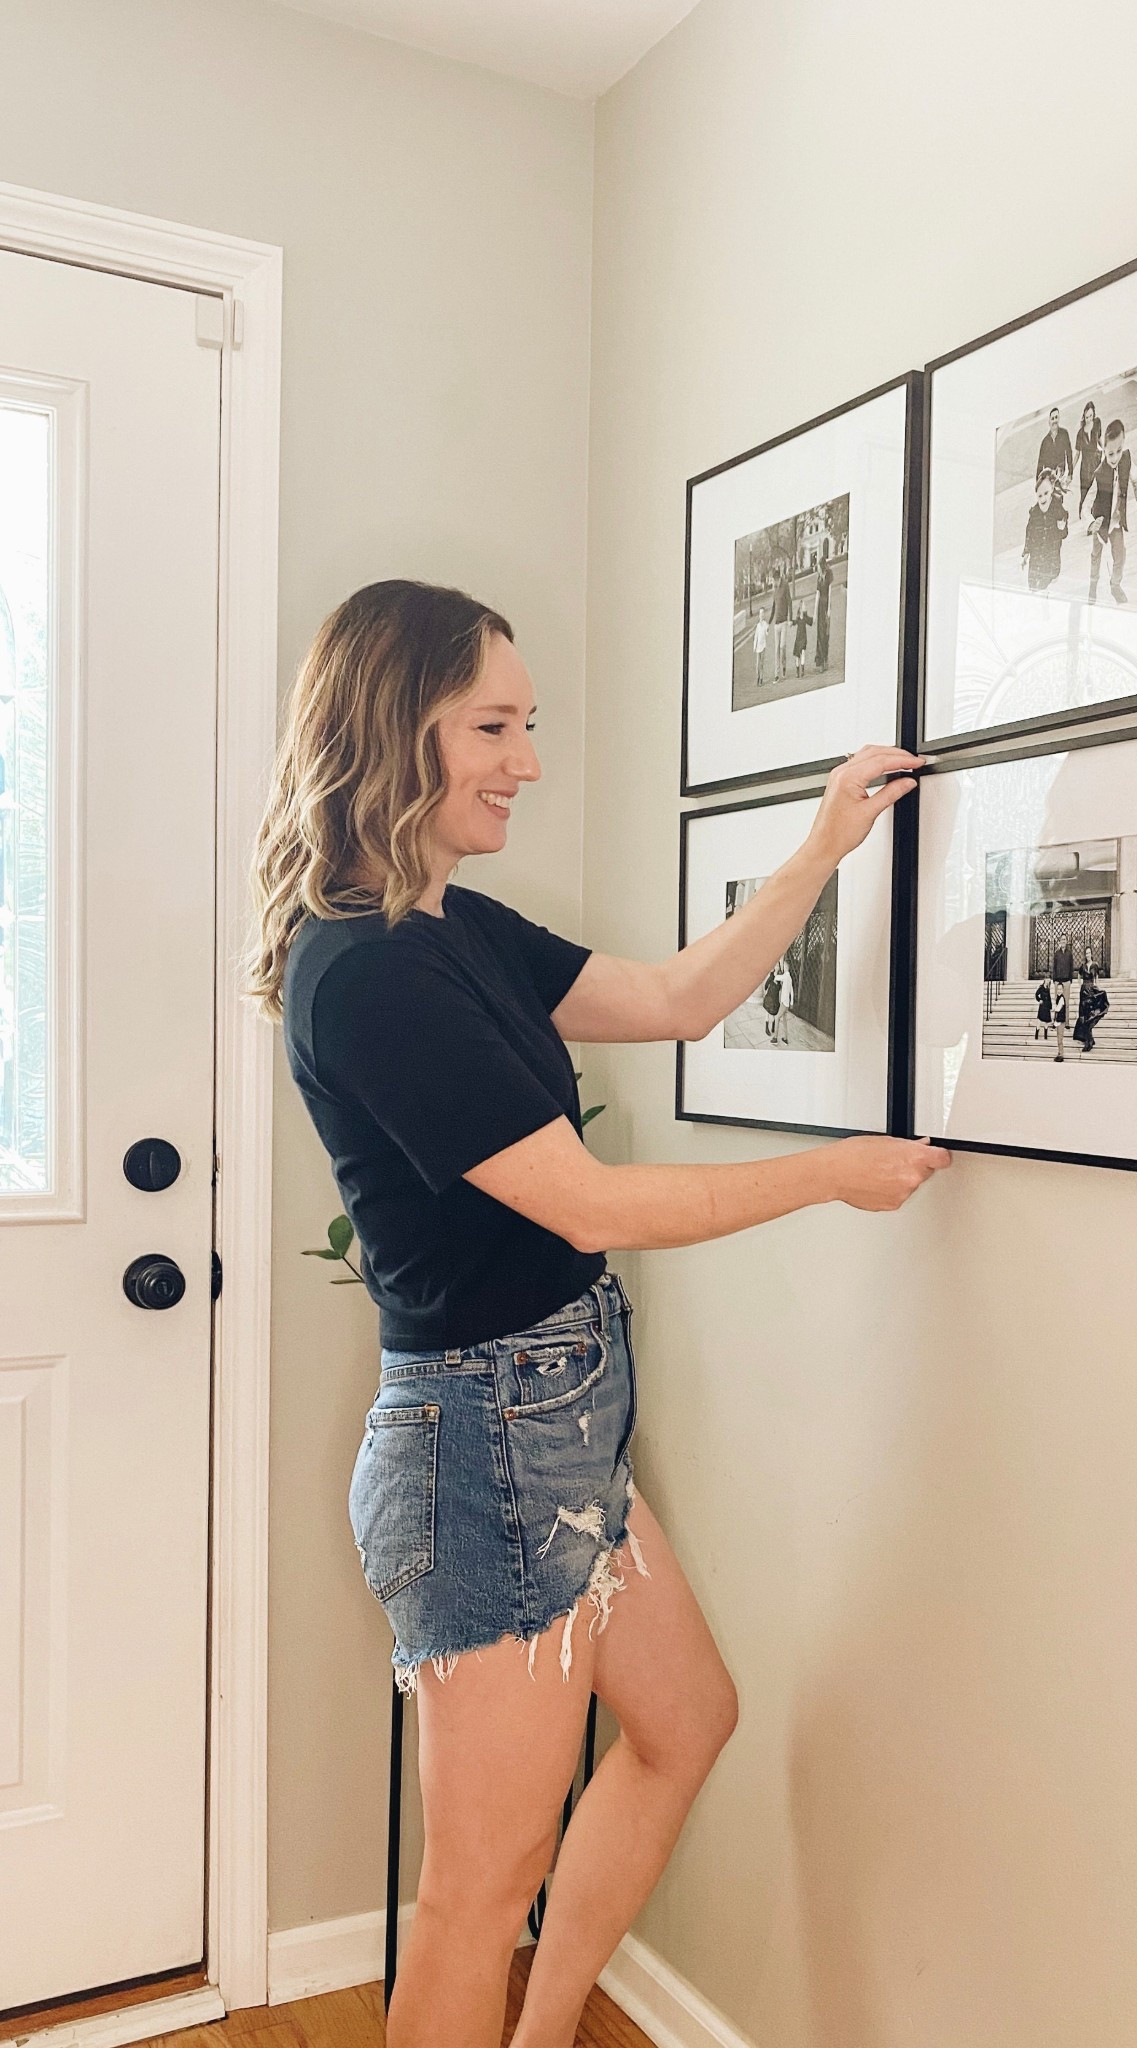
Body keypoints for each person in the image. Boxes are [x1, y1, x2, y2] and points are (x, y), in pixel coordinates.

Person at [246, 580, 948, 2046]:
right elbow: (592, 1206)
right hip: (480, 1450)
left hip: (557, 1431)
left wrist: (823, 840)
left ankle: (541, 2029)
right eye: (494, 725)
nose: (528, 760)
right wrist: (831, 1174)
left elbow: (687, 996)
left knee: (685, 1725)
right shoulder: (362, 971)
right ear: (396, 730)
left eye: (529, 724)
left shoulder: (459, 929)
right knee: (475, 1886)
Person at [1084, 419, 1137, 605]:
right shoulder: (1099, 473)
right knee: (1096, 554)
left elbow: (1136, 477)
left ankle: (1115, 585)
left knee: (1120, 556)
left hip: (1116, 522)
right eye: (1110, 453)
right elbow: (1086, 504)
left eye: (1118, 451)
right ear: (1103, 448)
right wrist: (1090, 522)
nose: (1115, 457)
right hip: (1101, 522)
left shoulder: (1126, 461)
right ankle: (1093, 584)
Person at [1021, 468, 1068, 592]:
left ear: (1052, 490)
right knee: (1033, 588)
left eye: (1046, 493)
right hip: (1035, 559)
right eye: (1040, 495)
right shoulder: (1034, 513)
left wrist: (1061, 528)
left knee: (1044, 587)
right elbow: (1029, 533)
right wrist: (1026, 552)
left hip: (1051, 559)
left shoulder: (1058, 510)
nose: (1043, 498)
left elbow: (1063, 534)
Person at [1035, 405, 1073, 505]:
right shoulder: (1045, 442)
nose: (1055, 420)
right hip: (1049, 477)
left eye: (1056, 417)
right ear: (1049, 421)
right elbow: (1040, 463)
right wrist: (1038, 484)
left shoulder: (1064, 434)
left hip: (1060, 475)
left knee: (1059, 500)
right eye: (1052, 418)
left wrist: (1070, 474)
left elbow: (1069, 453)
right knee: (1050, 502)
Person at [1073, 400, 1104, 517]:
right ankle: (1084, 519)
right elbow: (1077, 454)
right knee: (1085, 495)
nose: (1089, 419)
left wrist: (1106, 453)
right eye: (1087, 417)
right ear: (1083, 416)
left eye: (1091, 416)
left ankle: (1096, 519)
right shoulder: (1080, 434)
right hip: (1086, 469)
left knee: (1097, 493)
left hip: (1097, 463)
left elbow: (1099, 439)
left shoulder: (1097, 423)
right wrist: (1070, 471)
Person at [769, 564, 792, 683]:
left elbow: (790, 602)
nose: (773, 583)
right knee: (776, 649)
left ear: (778, 579)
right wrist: (768, 623)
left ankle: (784, 667)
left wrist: (790, 619)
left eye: (774, 580)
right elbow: (773, 607)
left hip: (784, 623)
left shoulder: (785, 585)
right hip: (776, 624)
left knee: (783, 646)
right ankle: (776, 674)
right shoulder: (775, 590)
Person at [813, 544, 832, 672]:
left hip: (826, 606)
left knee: (826, 634)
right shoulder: (819, 578)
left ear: (823, 566)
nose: (818, 570)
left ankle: (825, 659)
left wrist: (829, 609)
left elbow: (829, 592)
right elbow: (817, 595)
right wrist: (814, 613)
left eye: (819, 567)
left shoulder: (829, 574)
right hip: (820, 608)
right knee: (819, 634)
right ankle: (820, 661)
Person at [791, 605, 810, 679]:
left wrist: (814, 618)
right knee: (797, 656)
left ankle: (802, 671)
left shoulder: (805, 618)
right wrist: (790, 622)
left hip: (804, 638)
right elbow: (794, 622)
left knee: (803, 652)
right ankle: (797, 671)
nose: (802, 611)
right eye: (801, 610)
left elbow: (811, 621)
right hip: (798, 639)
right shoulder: (798, 619)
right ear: (799, 611)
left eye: (803, 610)